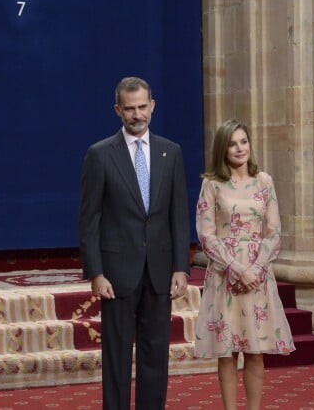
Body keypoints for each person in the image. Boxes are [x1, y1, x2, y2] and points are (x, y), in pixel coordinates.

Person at [78, 76, 191, 410]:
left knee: (156, 355)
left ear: (152, 106)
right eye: (129, 109)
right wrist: (96, 273)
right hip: (116, 274)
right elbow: (89, 220)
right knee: (115, 356)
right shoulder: (99, 155)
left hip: (159, 272)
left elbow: (178, 216)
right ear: (118, 110)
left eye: (143, 107)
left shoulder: (172, 152)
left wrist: (181, 268)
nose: (137, 114)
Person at [194, 118, 295, 410]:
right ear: (223, 150)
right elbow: (206, 233)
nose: (240, 149)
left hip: (258, 275)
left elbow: (274, 231)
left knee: (254, 350)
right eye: (233, 144)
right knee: (227, 352)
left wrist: (256, 269)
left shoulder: (264, 181)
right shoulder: (211, 184)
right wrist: (236, 269)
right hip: (225, 274)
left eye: (244, 142)